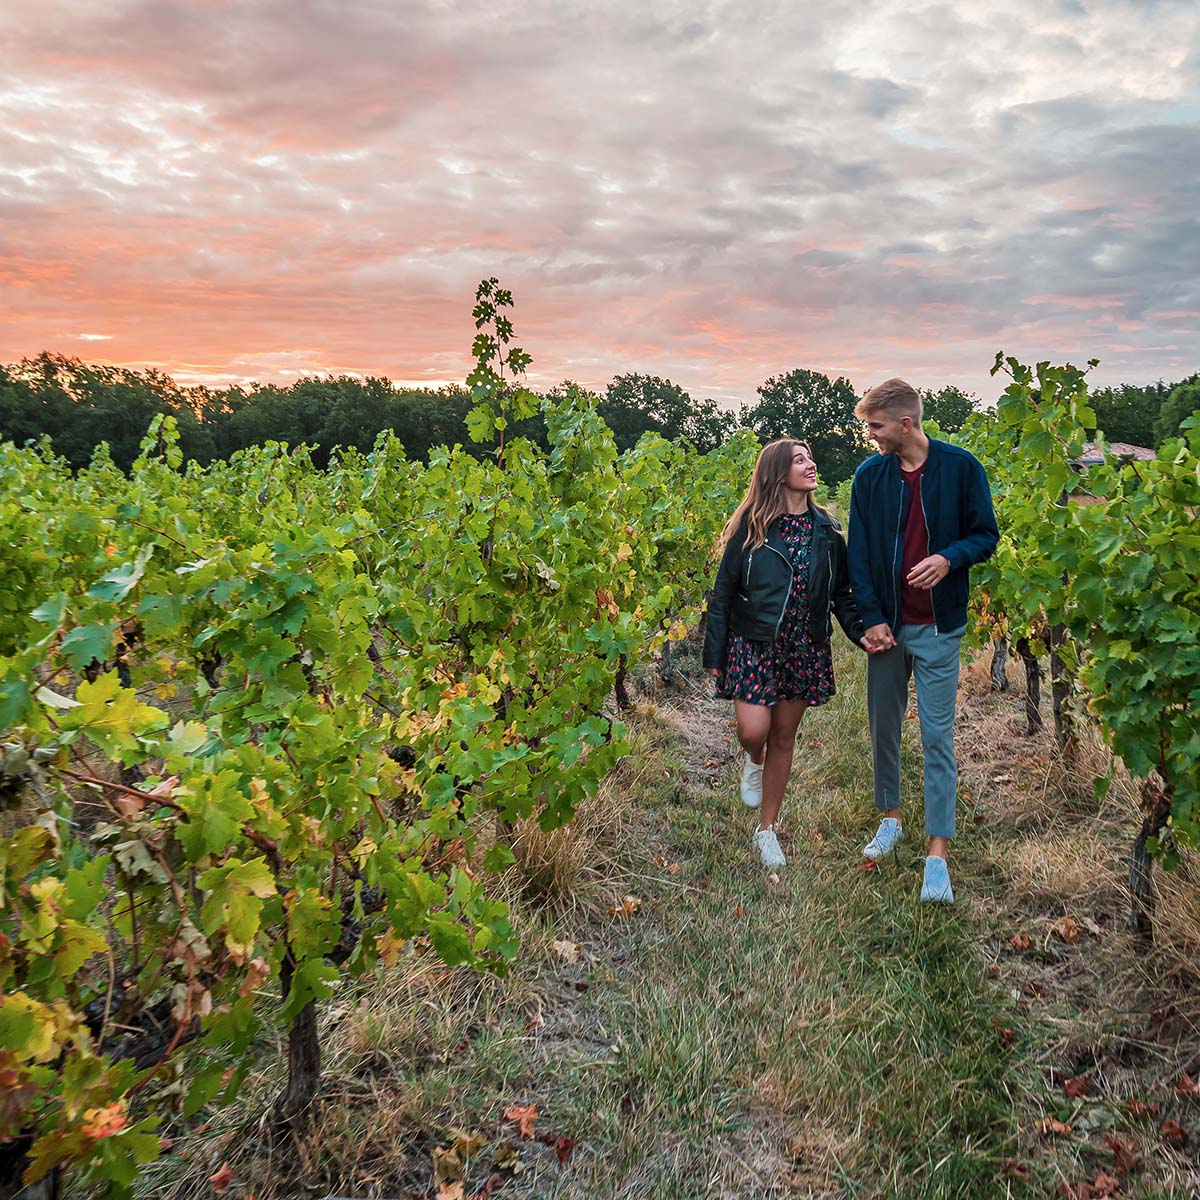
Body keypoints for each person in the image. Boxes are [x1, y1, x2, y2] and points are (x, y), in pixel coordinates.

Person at [847, 378, 998, 903]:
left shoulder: (961, 468)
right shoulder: (869, 477)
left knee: (937, 736)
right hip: (887, 626)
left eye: (876, 426)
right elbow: (859, 555)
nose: (870, 435)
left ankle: (938, 854)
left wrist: (949, 558)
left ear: (905, 423)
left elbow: (986, 535)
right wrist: (870, 617)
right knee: (884, 726)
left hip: (939, 625)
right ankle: (890, 819)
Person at [704, 439, 868, 870]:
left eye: (810, 457)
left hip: (804, 647)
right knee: (754, 732)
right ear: (779, 474)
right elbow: (722, 594)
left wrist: (861, 633)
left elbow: (842, 594)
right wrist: (714, 652)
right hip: (754, 643)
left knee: (783, 737)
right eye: (800, 460)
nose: (811, 464)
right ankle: (752, 761)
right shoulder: (753, 528)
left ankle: (766, 831)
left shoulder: (828, 532)